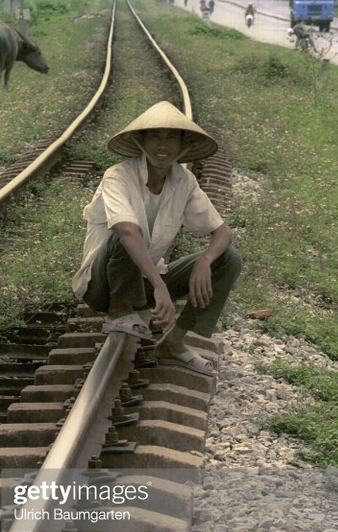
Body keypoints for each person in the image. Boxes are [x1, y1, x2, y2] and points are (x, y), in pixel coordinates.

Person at [72, 102, 242, 375]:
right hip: (102, 284)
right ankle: (119, 310)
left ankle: (173, 343)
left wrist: (205, 261)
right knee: (129, 231)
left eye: (171, 137)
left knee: (229, 259)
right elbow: (126, 231)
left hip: (143, 283)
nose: (162, 145)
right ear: (140, 142)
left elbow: (222, 232)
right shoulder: (117, 176)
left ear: (183, 146)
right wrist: (159, 285)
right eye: (154, 136)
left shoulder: (183, 180)